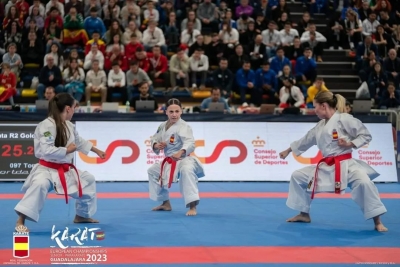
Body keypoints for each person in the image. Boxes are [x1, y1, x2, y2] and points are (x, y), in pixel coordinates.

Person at [279, 91, 388, 232]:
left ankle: (377, 221)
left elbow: (365, 135)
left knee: (365, 183)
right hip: (327, 166)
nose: (314, 110)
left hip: (347, 165)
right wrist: (288, 150)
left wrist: (350, 144)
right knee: (298, 176)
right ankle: (304, 214)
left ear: (323, 106)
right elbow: (305, 140)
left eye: (315, 106)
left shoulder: (345, 119)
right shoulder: (319, 126)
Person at [14, 93, 106, 232]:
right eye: (74, 107)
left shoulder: (69, 125)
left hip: (64, 169)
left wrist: (97, 150)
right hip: (46, 169)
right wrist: (67, 150)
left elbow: (79, 142)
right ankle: (20, 221)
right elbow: (46, 150)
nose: (75, 111)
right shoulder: (46, 125)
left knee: (88, 180)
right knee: (39, 185)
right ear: (68, 108)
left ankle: (81, 215)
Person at [148, 98, 205, 216]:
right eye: (171, 112)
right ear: (166, 112)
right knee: (153, 171)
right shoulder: (163, 125)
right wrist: (156, 145)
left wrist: (181, 151)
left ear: (181, 111)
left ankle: (192, 206)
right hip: (169, 160)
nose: (174, 115)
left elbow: (190, 142)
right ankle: (165, 203)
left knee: (187, 170)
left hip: (183, 159)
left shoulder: (184, 126)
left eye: (177, 111)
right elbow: (154, 138)